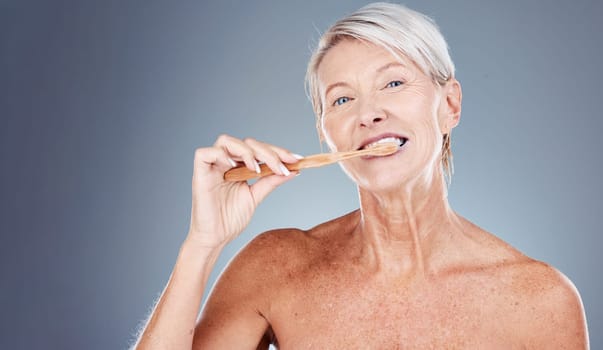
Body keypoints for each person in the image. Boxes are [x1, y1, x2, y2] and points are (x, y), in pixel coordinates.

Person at [133, 2, 589, 349]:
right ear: (325, 132)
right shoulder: (274, 267)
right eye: (342, 100)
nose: (369, 114)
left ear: (449, 105)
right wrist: (202, 244)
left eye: (393, 83)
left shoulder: (540, 302)